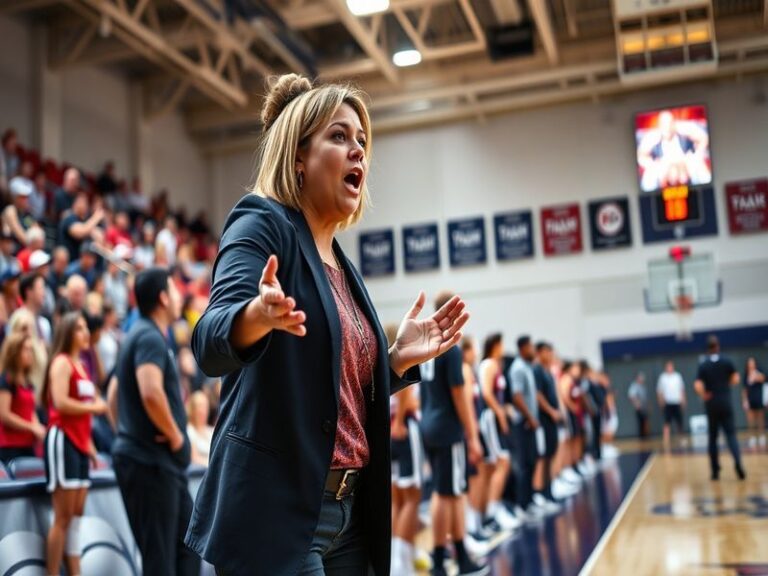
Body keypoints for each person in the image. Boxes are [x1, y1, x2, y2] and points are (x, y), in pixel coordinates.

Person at [185, 74, 469, 576]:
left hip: (348, 515)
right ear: (298, 157)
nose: (359, 150)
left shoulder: (340, 262)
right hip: (279, 514)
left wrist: (394, 361)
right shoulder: (261, 222)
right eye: (339, 136)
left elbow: (330, 388)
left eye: (362, 140)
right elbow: (209, 341)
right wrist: (256, 315)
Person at [111, 267, 199, 576]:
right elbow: (150, 392)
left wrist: (127, 429)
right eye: (174, 290)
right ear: (163, 298)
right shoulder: (148, 335)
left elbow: (113, 393)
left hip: (155, 462)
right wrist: (175, 436)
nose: (179, 296)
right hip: (150, 462)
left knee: (188, 548)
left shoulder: (141, 333)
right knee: (160, 561)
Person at [416, 291, 486, 576]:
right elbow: (460, 395)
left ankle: (458, 554)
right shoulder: (451, 348)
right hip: (448, 428)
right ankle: (439, 560)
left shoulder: (429, 344)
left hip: (429, 425)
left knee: (451, 493)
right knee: (445, 495)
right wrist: (473, 437)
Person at [42, 312, 108, 576]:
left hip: (80, 442)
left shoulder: (82, 364)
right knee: (63, 517)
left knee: (77, 517)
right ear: (68, 332)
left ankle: (75, 572)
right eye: (79, 328)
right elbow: (59, 402)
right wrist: (94, 407)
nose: (85, 332)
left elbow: (85, 408)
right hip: (62, 439)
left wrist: (89, 445)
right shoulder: (61, 362)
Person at [387, 323, 424, 576]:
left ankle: (401, 556)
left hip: (389, 433)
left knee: (398, 499)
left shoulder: (379, 361)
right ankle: (402, 562)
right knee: (411, 497)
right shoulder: (403, 360)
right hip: (404, 431)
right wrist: (400, 421)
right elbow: (406, 398)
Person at [478, 333, 520, 532]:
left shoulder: (495, 365)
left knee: (497, 465)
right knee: (503, 462)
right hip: (491, 418)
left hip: (493, 417)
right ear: (495, 345)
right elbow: (487, 393)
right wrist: (501, 414)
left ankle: (492, 509)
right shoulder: (489, 364)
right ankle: (492, 514)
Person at [693, 335, 745, 481]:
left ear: (708, 348)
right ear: (718, 346)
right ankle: (738, 462)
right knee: (731, 435)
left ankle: (715, 471)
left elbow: (697, 385)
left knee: (713, 438)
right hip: (725, 402)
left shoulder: (703, 364)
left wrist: (704, 394)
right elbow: (736, 378)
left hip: (712, 404)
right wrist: (725, 384)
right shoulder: (726, 361)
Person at [509, 335, 550, 521]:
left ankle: (530, 500)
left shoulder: (527, 367)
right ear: (523, 348)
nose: (533, 350)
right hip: (523, 423)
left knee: (532, 462)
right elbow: (517, 397)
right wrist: (530, 417)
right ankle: (521, 506)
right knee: (525, 465)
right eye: (531, 347)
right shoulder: (518, 368)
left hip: (530, 423)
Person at [0, 332, 45, 463]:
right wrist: (31, 427)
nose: (30, 354)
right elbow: (4, 415)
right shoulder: (6, 380)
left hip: (28, 444)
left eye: (31, 349)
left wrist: (38, 428)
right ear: (14, 353)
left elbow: (31, 411)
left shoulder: (28, 382)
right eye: (25, 349)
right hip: (10, 446)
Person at [533, 341, 564, 506]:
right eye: (547, 351)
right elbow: (538, 395)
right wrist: (551, 411)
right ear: (539, 352)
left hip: (552, 421)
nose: (550, 355)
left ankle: (550, 489)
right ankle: (543, 491)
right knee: (544, 456)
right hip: (544, 420)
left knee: (552, 453)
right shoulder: (537, 370)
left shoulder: (548, 371)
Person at [657, 360, 686, 448]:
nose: (670, 368)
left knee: (679, 422)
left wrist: (683, 400)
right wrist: (661, 401)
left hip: (677, 402)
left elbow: (682, 389)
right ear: (666, 367)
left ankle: (681, 439)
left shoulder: (677, 376)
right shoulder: (662, 377)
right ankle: (666, 440)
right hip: (668, 403)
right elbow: (659, 391)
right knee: (667, 422)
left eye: (671, 366)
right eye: (668, 366)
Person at [742, 357, 766, 447]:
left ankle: (761, 436)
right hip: (750, 399)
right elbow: (744, 389)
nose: (751, 365)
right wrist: (745, 400)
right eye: (749, 363)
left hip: (759, 398)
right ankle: (752, 437)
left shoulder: (759, 372)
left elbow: (763, 379)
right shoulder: (746, 374)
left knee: (760, 419)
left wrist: (755, 376)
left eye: (752, 363)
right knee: (751, 420)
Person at [187, 390, 214, 467]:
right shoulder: (189, 430)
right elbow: (194, 458)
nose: (203, 410)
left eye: (205, 406)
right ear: (193, 409)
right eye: (200, 406)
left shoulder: (212, 430)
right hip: (199, 471)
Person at [628, 372, 650, 438]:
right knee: (641, 423)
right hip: (639, 408)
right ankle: (642, 438)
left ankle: (645, 437)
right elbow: (631, 396)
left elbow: (645, 397)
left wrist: (648, 406)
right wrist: (637, 404)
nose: (642, 380)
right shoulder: (634, 386)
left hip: (644, 407)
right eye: (640, 378)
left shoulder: (643, 386)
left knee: (645, 422)